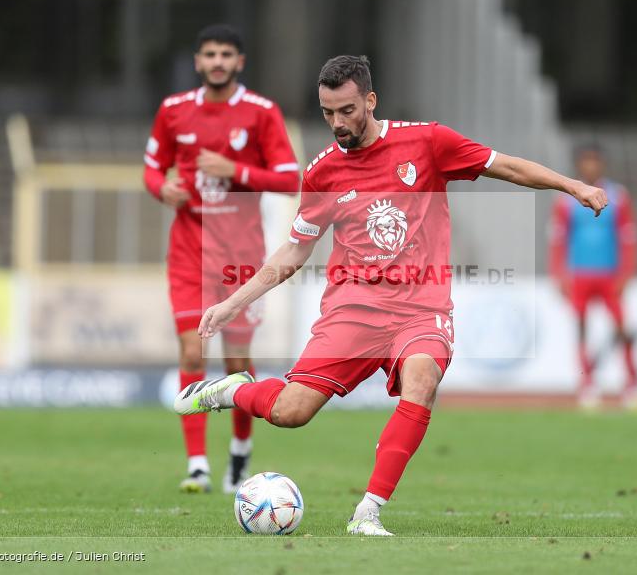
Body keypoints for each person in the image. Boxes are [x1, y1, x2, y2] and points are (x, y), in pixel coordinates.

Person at [174, 55, 607, 534]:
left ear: (370, 100)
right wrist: (234, 301)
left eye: (347, 110)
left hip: (421, 308)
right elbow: (294, 252)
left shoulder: (427, 142)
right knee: (290, 413)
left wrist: (571, 185)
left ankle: (368, 511)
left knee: (422, 379)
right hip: (352, 310)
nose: (337, 123)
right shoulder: (322, 173)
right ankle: (237, 391)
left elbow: (502, 166)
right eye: (327, 113)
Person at [143, 24, 299, 493]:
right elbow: (152, 167)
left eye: (226, 54)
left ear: (240, 62)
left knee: (235, 362)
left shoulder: (261, 113)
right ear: (197, 61)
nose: (217, 61)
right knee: (193, 350)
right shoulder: (173, 111)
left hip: (241, 258)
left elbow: (289, 177)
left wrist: (237, 170)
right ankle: (197, 466)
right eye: (209, 53)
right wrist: (161, 188)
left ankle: (239, 453)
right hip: (191, 252)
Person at [548, 143, 637, 409]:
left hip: (610, 274)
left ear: (602, 164)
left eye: (595, 161)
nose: (590, 166)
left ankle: (632, 385)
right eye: (586, 161)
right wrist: (558, 273)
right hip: (579, 274)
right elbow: (557, 238)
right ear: (579, 165)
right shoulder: (566, 199)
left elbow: (628, 236)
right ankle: (587, 386)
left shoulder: (618, 196)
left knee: (623, 328)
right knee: (581, 328)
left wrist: (627, 271)